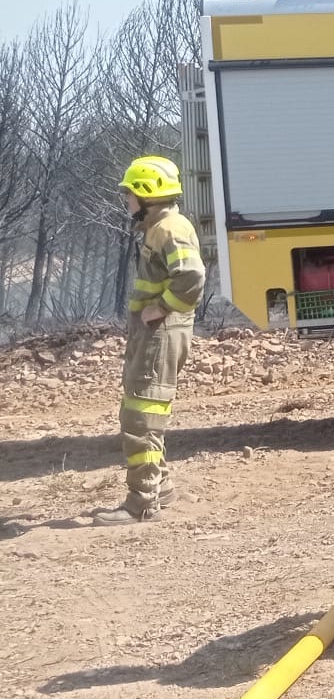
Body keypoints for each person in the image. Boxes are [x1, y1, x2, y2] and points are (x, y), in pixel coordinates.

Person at [91, 156, 205, 526]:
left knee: (141, 418)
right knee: (141, 411)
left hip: (160, 334)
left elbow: (190, 276)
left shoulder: (168, 229)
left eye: (130, 194)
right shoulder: (160, 227)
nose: (127, 201)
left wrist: (161, 307)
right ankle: (161, 486)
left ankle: (141, 502)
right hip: (153, 334)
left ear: (147, 194)